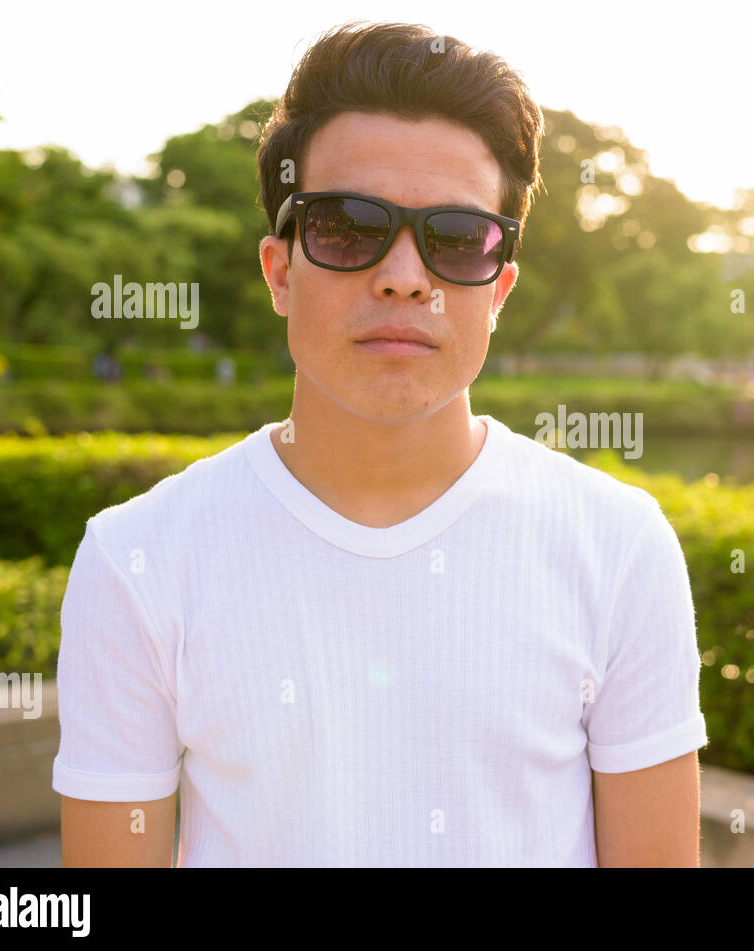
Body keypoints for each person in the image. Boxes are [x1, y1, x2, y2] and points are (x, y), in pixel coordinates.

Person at [52, 20, 707, 867]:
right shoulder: (136, 560)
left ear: (499, 285)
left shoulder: (619, 547)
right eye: (348, 227)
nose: (404, 275)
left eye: (456, 237)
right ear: (280, 271)